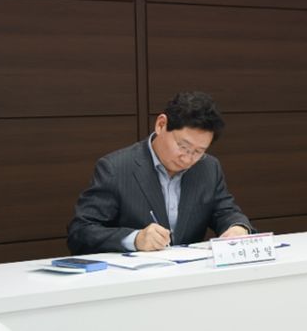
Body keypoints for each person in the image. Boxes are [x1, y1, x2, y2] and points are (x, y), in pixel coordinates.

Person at [67, 91, 252, 255]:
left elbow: (225, 211)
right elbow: (80, 232)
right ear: (161, 125)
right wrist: (135, 239)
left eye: (198, 151)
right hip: (138, 278)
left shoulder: (208, 167)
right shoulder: (116, 168)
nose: (188, 159)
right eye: (183, 146)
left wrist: (237, 228)